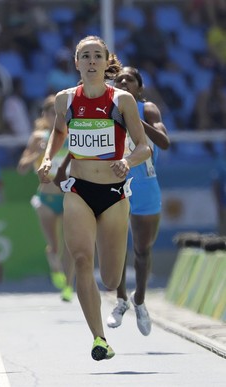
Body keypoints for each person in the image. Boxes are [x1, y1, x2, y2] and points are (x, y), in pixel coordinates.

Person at [37, 36, 151, 361]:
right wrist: (49, 158)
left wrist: (128, 161)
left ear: (105, 62)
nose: (90, 61)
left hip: (114, 195)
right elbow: (59, 132)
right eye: (84, 56)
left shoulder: (122, 100)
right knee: (83, 260)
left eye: (96, 56)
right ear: (76, 63)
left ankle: (118, 295)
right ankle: (99, 338)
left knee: (112, 277)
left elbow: (145, 147)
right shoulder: (65, 100)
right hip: (79, 190)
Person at [106, 66, 171, 336]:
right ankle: (120, 300)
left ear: (139, 88)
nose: (123, 82)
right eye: (119, 79)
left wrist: (133, 117)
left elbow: (164, 142)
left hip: (145, 185)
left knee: (142, 250)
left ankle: (140, 300)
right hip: (115, 184)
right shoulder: (106, 109)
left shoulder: (149, 109)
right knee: (117, 246)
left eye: (129, 80)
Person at [17, 94, 75, 302]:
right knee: (55, 246)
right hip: (47, 198)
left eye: (59, 113)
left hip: (69, 196)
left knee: (70, 245)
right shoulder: (38, 138)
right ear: (45, 115)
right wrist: (37, 154)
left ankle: (68, 286)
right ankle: (54, 266)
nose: (55, 116)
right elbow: (21, 168)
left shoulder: (71, 134)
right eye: (51, 113)